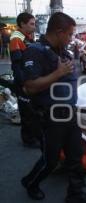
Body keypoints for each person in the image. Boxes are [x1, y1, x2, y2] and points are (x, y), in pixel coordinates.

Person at [20, 12, 86, 203]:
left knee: (75, 156)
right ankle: (30, 182)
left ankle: (75, 195)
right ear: (59, 31)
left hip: (69, 115)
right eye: (70, 34)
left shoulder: (63, 52)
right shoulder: (35, 51)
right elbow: (30, 87)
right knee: (50, 160)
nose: (72, 39)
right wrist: (58, 73)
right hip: (50, 118)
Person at [9, 12, 40, 148]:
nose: (34, 27)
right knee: (27, 112)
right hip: (24, 83)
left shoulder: (26, 37)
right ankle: (28, 139)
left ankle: (34, 136)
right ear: (22, 24)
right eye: (31, 24)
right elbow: (17, 65)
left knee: (33, 111)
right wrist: (23, 84)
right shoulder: (16, 38)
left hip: (30, 81)